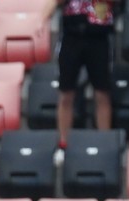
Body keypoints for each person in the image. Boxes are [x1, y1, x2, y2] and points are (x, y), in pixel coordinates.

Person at [41, 0, 115, 156]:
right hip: (72, 36)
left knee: (102, 93)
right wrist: (42, 19)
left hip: (99, 36)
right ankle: (63, 143)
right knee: (66, 94)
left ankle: (105, 144)